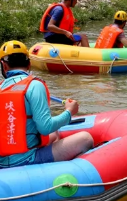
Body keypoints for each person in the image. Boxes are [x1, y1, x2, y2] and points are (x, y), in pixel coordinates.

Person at [0, 40, 93, 169]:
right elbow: (45, 127)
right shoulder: (34, 85)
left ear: (4, 66)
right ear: (29, 64)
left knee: (55, 134)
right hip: (27, 159)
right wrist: (69, 112)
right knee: (86, 138)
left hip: (2, 160)